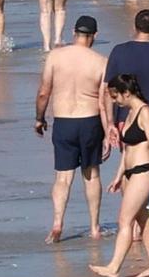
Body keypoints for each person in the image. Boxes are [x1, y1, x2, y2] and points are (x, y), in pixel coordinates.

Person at [34, 15, 109, 241]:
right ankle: (95, 227)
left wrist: (39, 118)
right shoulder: (101, 61)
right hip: (90, 120)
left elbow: (44, 92)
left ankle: (57, 224)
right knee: (92, 175)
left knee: (63, 178)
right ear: (94, 36)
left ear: (74, 32)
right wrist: (108, 130)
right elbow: (105, 100)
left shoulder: (55, 56)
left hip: (64, 121)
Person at [88, 76, 149, 277]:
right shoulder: (130, 112)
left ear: (126, 92)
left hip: (143, 171)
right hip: (130, 173)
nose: (114, 101)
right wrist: (118, 175)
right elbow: (127, 149)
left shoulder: (146, 112)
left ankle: (114, 267)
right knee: (143, 220)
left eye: (115, 96)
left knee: (124, 220)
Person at [103, 7, 149, 141]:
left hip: (126, 117)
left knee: (129, 159)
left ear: (134, 27)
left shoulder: (119, 51)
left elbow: (108, 91)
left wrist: (110, 122)